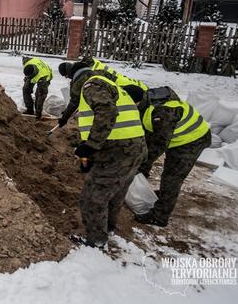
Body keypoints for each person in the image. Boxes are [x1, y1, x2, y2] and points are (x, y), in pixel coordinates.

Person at [72, 70, 147, 248]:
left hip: (118, 152)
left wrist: (91, 146)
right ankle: (108, 228)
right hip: (135, 148)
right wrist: (89, 156)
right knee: (115, 193)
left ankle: (96, 241)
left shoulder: (91, 85)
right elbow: (100, 123)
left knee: (92, 198)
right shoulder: (114, 88)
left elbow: (107, 112)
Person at [122, 85, 211, 227]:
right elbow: (147, 137)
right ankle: (160, 194)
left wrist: (141, 164)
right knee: (146, 165)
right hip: (177, 137)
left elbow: (158, 144)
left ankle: (160, 215)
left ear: (135, 102)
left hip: (192, 140)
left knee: (172, 177)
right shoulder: (147, 105)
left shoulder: (162, 112)